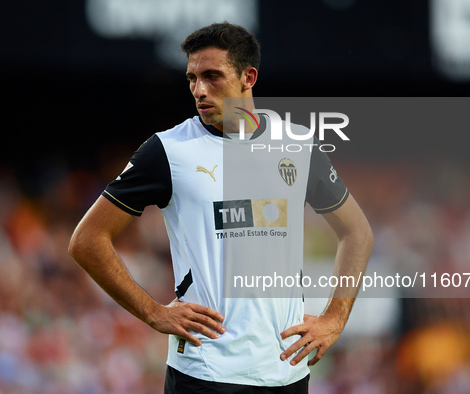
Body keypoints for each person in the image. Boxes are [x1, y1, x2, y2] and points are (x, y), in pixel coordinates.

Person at [69, 22, 373, 394]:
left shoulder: (297, 144)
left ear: (249, 76)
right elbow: (86, 240)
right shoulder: (168, 151)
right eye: (192, 78)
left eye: (212, 76)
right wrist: (153, 311)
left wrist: (334, 319)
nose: (199, 90)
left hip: (285, 371)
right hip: (203, 372)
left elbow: (357, 232)